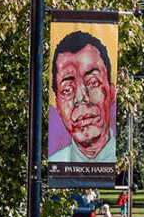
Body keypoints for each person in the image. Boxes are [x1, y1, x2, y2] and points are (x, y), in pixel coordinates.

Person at [50, 31, 116, 163]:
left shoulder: (123, 164)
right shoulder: (56, 163)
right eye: (67, 89)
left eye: (93, 82)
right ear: (57, 106)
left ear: (112, 92)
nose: (81, 97)